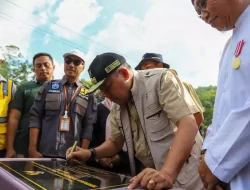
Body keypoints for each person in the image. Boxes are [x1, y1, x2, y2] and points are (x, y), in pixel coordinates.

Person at [67, 53, 204, 190]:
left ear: (125, 74)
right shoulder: (116, 107)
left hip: (186, 179)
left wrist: (167, 173)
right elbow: (115, 142)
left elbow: (188, 124)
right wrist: (90, 153)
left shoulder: (161, 80)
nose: (105, 95)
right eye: (101, 91)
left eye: (107, 87)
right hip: (152, 182)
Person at [192, 0, 250, 189]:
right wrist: (207, 151)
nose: (203, 16)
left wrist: (215, 162)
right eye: (197, 11)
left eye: (202, 3)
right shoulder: (229, 45)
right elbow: (222, 110)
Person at [29, 49, 96, 158]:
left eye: (76, 62)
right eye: (68, 61)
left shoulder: (88, 93)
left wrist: (83, 154)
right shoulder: (48, 86)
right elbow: (35, 117)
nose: (71, 65)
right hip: (44, 154)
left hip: (72, 157)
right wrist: (32, 148)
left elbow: (89, 125)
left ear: (82, 67)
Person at [135, 53, 205, 127]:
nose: (143, 69)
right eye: (141, 68)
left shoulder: (184, 85)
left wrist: (183, 136)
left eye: (146, 65)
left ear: (159, 65)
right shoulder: (143, 94)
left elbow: (197, 117)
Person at [6, 53, 55, 158]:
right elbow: (14, 118)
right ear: (34, 69)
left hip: (51, 149)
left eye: (46, 65)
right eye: (38, 66)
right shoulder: (25, 88)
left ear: (53, 67)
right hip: (23, 147)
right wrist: (10, 148)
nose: (43, 68)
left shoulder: (62, 90)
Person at [0, 53, 16, 158]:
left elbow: (14, 118)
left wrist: (10, 148)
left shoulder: (10, 86)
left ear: (1, 63)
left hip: (1, 147)